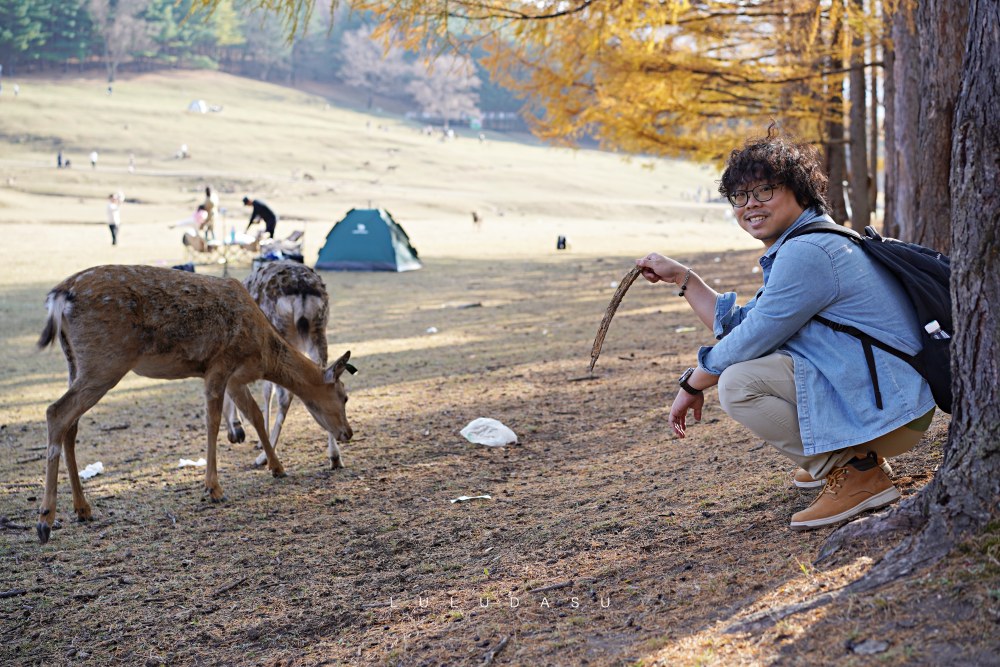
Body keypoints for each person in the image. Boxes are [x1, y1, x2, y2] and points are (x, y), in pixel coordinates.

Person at [635, 127, 936, 531]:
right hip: (891, 401)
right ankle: (850, 457)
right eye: (739, 197)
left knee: (737, 384)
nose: (749, 206)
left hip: (892, 410)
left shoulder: (809, 252)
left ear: (800, 191)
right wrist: (683, 278)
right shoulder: (806, 243)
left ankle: (856, 472)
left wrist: (693, 383)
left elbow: (751, 339)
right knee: (739, 368)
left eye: (764, 191)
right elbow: (741, 328)